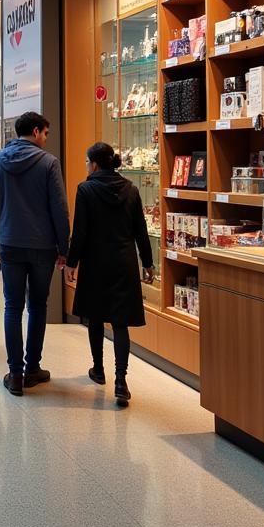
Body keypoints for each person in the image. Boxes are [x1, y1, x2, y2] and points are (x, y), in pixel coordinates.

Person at [0, 111, 70, 397]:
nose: (46, 138)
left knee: (12, 306)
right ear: (36, 131)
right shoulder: (49, 163)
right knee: (37, 305)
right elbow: (59, 208)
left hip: (10, 242)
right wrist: (64, 247)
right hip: (43, 245)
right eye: (45, 133)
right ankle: (32, 367)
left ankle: (15, 373)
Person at [65, 142, 155, 405]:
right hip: (124, 262)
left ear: (93, 164)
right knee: (120, 322)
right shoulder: (131, 189)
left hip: (95, 261)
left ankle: (98, 370)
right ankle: (121, 381)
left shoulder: (86, 189)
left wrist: (71, 263)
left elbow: (80, 232)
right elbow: (141, 229)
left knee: (95, 316)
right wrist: (148, 263)